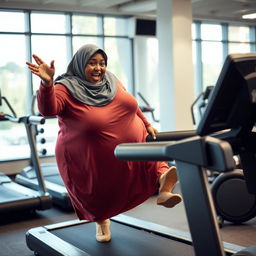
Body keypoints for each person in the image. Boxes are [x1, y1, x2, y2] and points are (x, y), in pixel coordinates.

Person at [26, 44, 182, 243]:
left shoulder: (111, 80)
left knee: (152, 163)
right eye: (92, 63)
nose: (99, 68)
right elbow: (48, 109)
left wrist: (146, 123)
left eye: (102, 63)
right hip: (89, 155)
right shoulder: (66, 87)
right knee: (99, 193)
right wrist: (47, 85)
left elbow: (131, 103)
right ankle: (101, 221)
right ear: (80, 64)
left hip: (132, 144)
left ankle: (164, 185)